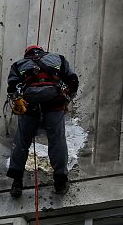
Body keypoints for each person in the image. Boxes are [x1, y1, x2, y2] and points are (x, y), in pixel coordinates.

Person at [6, 45, 79, 197]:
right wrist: (67, 99)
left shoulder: (18, 64)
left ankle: (17, 182)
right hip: (54, 102)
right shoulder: (58, 58)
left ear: (27, 54)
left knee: (22, 141)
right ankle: (60, 180)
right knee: (57, 140)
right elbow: (72, 79)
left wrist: (19, 101)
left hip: (30, 104)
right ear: (42, 51)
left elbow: (12, 87)